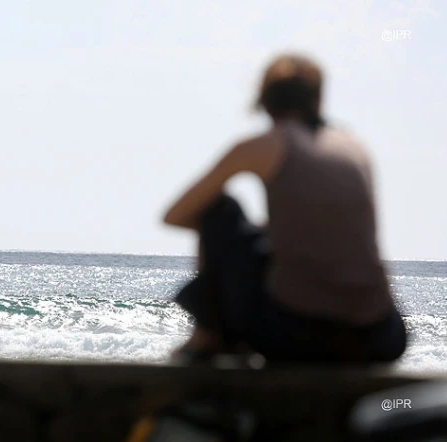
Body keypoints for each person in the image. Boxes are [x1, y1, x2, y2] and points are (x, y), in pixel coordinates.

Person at [164, 53, 407, 364]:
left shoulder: (263, 145)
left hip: (296, 335)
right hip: (380, 337)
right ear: (318, 100)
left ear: (263, 101)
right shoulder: (354, 147)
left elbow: (176, 215)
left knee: (219, 210)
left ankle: (208, 336)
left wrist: (254, 234)